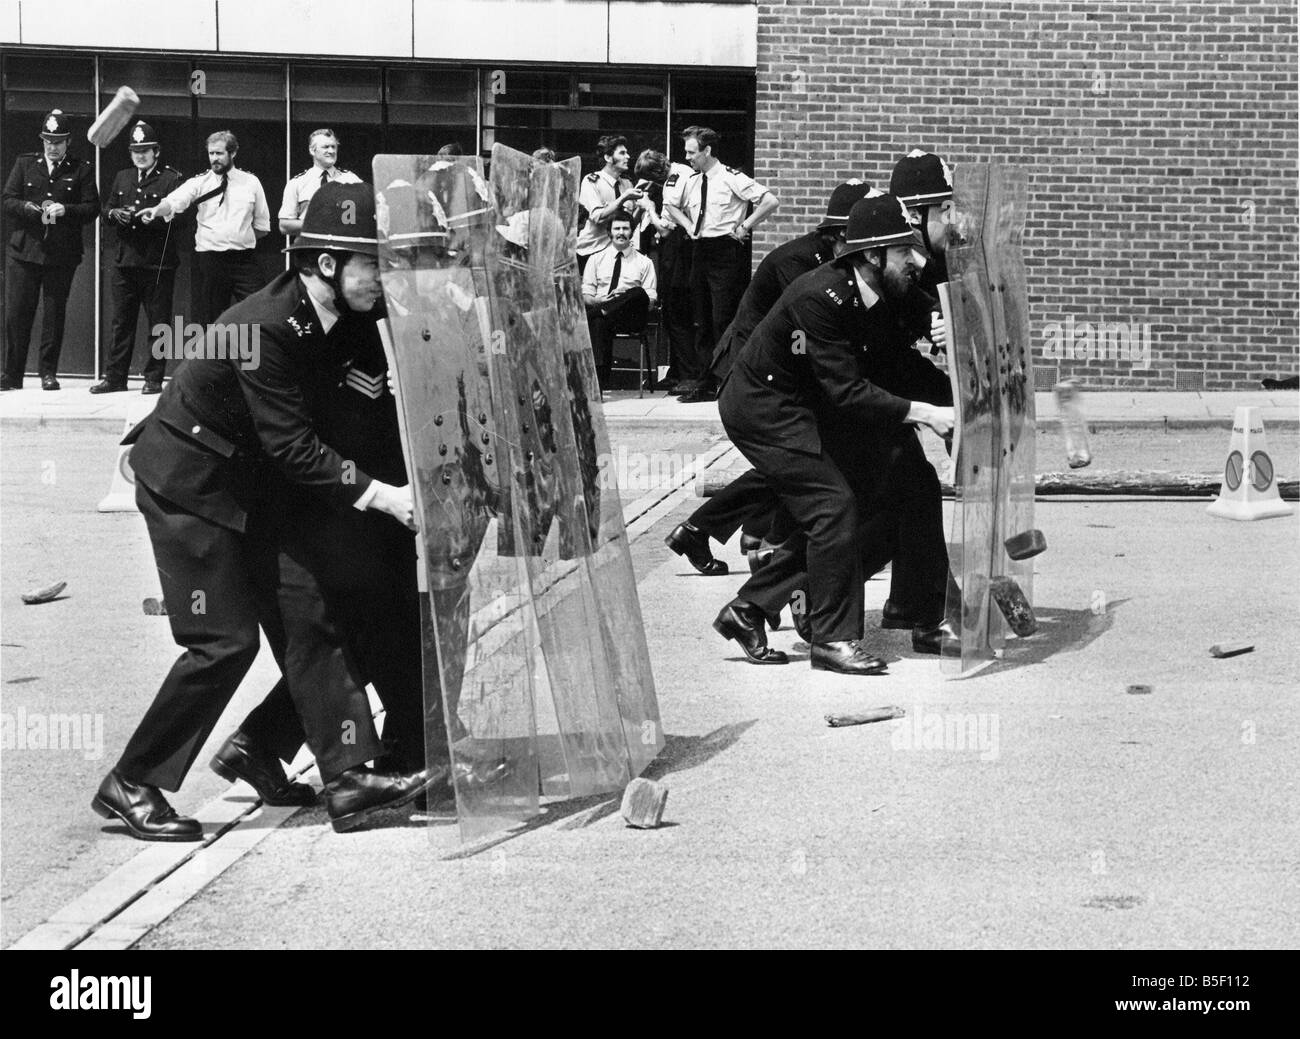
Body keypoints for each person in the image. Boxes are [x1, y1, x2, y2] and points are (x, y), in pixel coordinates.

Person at [94, 182, 440, 842]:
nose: (385, 279)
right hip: (189, 483)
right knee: (223, 640)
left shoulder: (347, 316)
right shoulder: (264, 326)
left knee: (310, 608)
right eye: (375, 263)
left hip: (252, 484)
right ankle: (133, 781)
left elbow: (361, 420)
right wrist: (384, 496)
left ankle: (347, 777)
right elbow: (293, 445)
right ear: (328, 264)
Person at [713, 194, 954, 675]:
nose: (918, 260)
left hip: (810, 403)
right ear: (871, 255)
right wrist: (928, 413)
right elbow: (847, 392)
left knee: (911, 485)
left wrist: (956, 400)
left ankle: (921, 615)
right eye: (905, 251)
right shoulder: (819, 297)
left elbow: (896, 364)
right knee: (833, 505)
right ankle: (832, 639)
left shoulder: (879, 292)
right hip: (765, 407)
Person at [665, 180, 878, 574]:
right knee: (802, 457)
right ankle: (751, 536)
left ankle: (720, 530)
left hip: (778, 371)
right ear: (843, 234)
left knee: (799, 459)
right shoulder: (799, 264)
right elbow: (805, 334)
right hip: (753, 372)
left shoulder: (821, 258)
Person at [676, 126, 779, 403]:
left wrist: (745, 226)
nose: (688, 158)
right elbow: (672, 205)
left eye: (692, 152)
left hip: (725, 251)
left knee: (723, 317)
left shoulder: (732, 177)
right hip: (700, 250)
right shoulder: (693, 181)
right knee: (701, 318)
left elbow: (770, 200)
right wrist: (688, 225)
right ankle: (704, 381)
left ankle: (726, 381)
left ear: (707, 151)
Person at [1, 109, 99, 391]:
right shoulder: (25, 164)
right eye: (48, 141)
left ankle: (48, 373)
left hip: (61, 254)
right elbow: (8, 199)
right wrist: (27, 208)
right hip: (24, 251)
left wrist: (65, 210)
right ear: (42, 140)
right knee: (18, 313)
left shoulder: (81, 169)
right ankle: (13, 373)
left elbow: (92, 208)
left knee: (54, 314)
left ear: (68, 142)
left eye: (58, 142)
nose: (52, 147)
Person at [91, 121, 185, 395]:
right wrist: (114, 214)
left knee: (158, 323)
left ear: (156, 151)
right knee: (121, 322)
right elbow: (107, 209)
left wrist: (149, 218)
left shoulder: (171, 179)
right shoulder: (123, 176)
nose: (140, 155)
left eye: (145, 150)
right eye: (136, 150)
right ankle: (115, 377)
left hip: (157, 262)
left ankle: (153, 378)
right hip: (125, 261)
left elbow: (179, 220)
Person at [139, 130, 270, 325]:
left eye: (220, 153)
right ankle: (215, 356)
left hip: (243, 260)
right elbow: (175, 201)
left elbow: (262, 226)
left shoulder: (251, 182)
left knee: (259, 314)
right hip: (211, 260)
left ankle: (248, 355)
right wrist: (157, 210)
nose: (214, 159)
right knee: (212, 319)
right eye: (211, 154)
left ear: (233, 153)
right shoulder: (200, 182)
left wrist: (238, 238)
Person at [632, 146, 696, 393]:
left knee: (675, 311)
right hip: (682, 249)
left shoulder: (671, 183)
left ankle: (687, 373)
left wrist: (649, 207)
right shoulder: (683, 171)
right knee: (676, 313)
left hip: (678, 249)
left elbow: (665, 229)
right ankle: (678, 370)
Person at [582, 212, 657, 390]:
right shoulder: (595, 259)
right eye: (617, 228)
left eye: (625, 228)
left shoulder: (644, 262)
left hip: (630, 318)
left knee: (638, 292)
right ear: (609, 232)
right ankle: (599, 384)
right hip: (603, 315)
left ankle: (603, 311)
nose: (621, 232)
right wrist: (603, 300)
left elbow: (651, 301)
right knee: (599, 322)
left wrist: (625, 295)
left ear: (632, 232)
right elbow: (586, 296)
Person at [278, 127, 362, 238]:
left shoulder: (352, 179)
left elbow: (366, 213)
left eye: (334, 147)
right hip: (309, 248)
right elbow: (284, 226)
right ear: (312, 150)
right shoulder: (297, 183)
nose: (331, 151)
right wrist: (320, 224)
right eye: (326, 147)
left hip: (343, 246)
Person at [576, 135, 641, 273]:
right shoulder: (591, 181)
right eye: (622, 153)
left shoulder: (627, 184)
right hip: (592, 251)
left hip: (617, 253)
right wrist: (623, 198)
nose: (628, 156)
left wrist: (642, 208)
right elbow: (597, 217)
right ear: (608, 158)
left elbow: (630, 224)